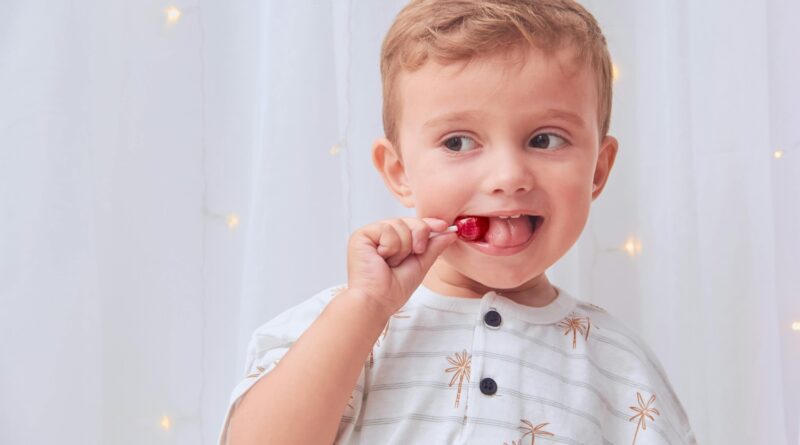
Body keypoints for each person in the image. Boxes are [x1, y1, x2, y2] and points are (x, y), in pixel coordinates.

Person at [220, 0, 697, 443]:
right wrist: (364, 307)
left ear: (598, 170)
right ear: (399, 172)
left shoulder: (622, 368)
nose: (508, 177)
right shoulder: (343, 327)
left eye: (545, 140)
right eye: (458, 143)